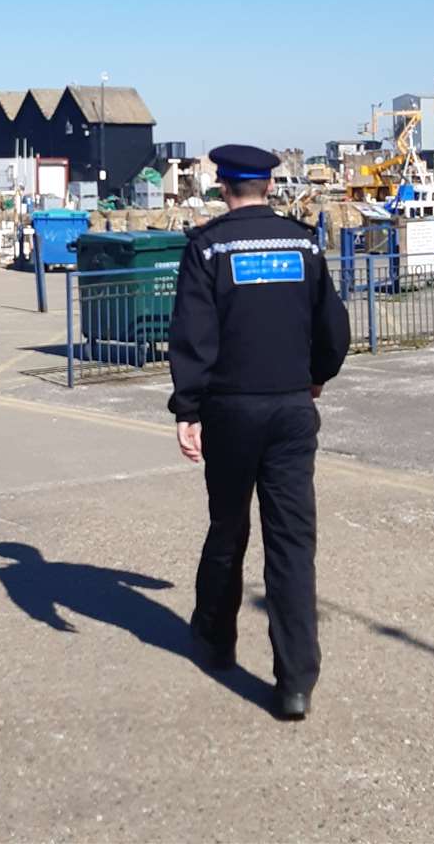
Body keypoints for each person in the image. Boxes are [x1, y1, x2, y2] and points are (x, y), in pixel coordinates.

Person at [168, 144, 350, 721]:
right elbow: (333, 327)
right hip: (292, 409)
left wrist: (187, 409)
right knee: (292, 543)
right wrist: (317, 377)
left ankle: (217, 640)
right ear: (269, 186)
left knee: (228, 527)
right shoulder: (304, 243)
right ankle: (295, 682)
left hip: (230, 411)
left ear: (223, 187)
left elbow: (195, 338)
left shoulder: (208, 247)